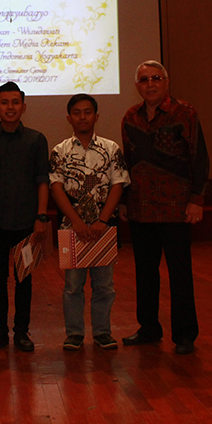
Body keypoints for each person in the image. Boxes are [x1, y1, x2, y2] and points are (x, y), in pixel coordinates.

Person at [120, 60, 209, 355]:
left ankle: (185, 334)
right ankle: (148, 328)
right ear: (137, 86)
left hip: (176, 208)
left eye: (156, 78)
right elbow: (127, 163)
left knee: (180, 273)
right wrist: (124, 201)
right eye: (144, 79)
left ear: (166, 82)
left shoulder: (186, 113)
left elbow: (199, 158)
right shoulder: (130, 117)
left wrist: (196, 199)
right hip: (140, 208)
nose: (150, 84)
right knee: (145, 273)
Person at [0, 81, 50, 353]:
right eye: (4, 102)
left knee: (24, 278)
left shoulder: (36, 140)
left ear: (24, 107)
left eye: (15, 102)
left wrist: (41, 217)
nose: (10, 107)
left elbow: (42, 180)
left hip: (26, 223)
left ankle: (22, 332)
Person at [49, 94, 130, 351]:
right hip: (71, 229)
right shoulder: (60, 151)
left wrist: (102, 220)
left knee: (104, 285)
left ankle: (102, 332)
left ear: (96, 116)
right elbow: (56, 187)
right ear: (69, 118)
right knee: (72, 286)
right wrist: (76, 222)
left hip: (103, 229)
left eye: (87, 112)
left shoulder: (111, 148)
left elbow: (118, 184)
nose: (82, 117)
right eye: (77, 112)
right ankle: (74, 333)